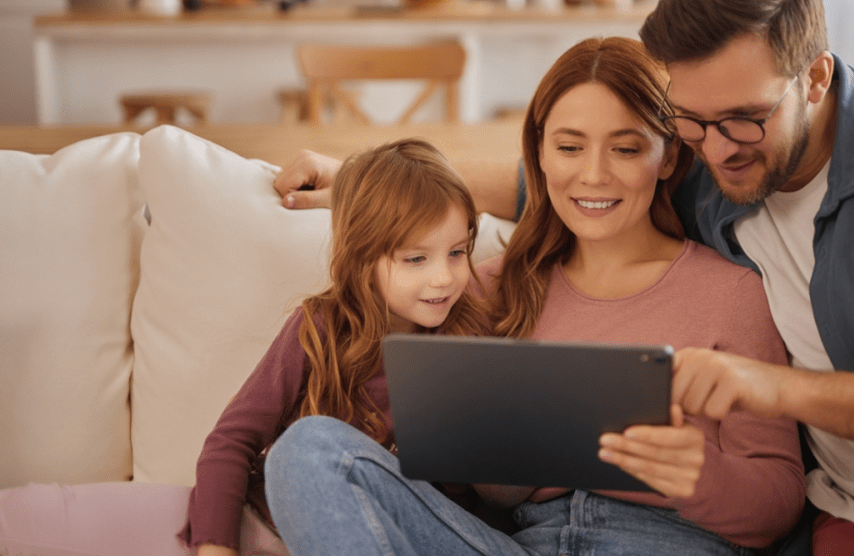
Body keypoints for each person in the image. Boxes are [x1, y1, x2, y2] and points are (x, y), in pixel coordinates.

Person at [273, 0, 854, 553]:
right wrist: (370, 177)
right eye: (693, 123)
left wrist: (759, 410)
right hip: (836, 514)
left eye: (744, 119)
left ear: (815, 79)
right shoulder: (714, 172)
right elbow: (557, 180)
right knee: (309, 453)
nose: (718, 148)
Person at [264, 36, 805, 556]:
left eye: (625, 148)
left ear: (667, 158)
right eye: (569, 147)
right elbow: (470, 492)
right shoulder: (481, 290)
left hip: (666, 540)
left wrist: (702, 474)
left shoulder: (731, 293)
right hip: (520, 542)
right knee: (308, 451)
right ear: (540, 155)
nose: (593, 175)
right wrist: (498, 464)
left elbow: (779, 507)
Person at [0, 138, 490, 556]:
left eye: (457, 252)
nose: (444, 278)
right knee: (32, 517)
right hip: (260, 519)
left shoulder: (470, 339)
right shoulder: (320, 328)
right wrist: (216, 545)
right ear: (362, 257)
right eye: (416, 259)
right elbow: (231, 441)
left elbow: (463, 508)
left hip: (377, 536)